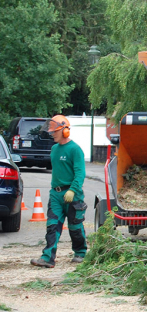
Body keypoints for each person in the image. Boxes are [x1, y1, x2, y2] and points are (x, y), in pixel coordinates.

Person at [30, 115, 87, 268]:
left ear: (65, 130)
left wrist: (73, 190)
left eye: (54, 131)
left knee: (75, 226)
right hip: (55, 194)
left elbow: (80, 173)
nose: (52, 133)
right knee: (52, 225)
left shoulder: (75, 149)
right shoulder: (54, 149)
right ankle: (48, 257)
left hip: (72, 194)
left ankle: (81, 253)